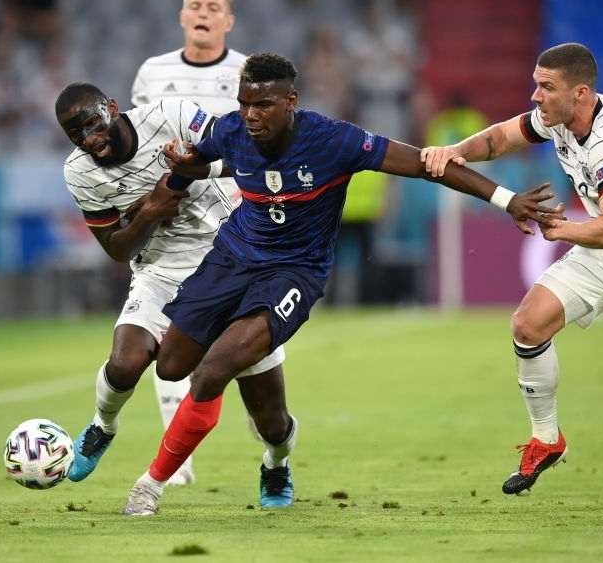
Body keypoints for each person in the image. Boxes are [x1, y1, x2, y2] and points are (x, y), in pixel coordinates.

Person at [119, 52, 559, 516]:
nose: (251, 114)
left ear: (291, 101)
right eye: (245, 103)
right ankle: (279, 445)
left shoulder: (334, 139)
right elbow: (195, 162)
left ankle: (154, 484)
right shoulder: (231, 129)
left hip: (294, 271)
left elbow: (422, 164)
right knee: (170, 367)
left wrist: (505, 198)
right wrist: (180, 166)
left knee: (211, 372)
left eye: (263, 105)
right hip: (231, 258)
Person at [422, 43, 603, 510]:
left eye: (546, 87)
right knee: (527, 324)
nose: (535, 96)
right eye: (536, 83)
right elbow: (500, 138)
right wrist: (455, 152)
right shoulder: (562, 118)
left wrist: (559, 230)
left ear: (580, 93)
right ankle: (546, 437)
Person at [57, 81, 289, 486]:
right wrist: (149, 212)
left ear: (112, 107)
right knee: (126, 361)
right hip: (159, 271)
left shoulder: (170, 115)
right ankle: (102, 426)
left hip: (231, 262)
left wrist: (196, 165)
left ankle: (276, 463)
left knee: (270, 420)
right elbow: (115, 247)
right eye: (75, 135)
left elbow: (243, 152)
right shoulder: (78, 172)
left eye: (93, 124)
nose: (89, 140)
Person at [129, 0, 249, 486]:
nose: (201, 13)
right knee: (165, 335)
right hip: (172, 228)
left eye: (211, 6)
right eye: (194, 5)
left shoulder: (247, 72)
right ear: (182, 15)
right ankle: (178, 465)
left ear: (228, 19)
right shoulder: (152, 73)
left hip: (236, 228)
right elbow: (134, 145)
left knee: (246, 348)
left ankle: (269, 420)